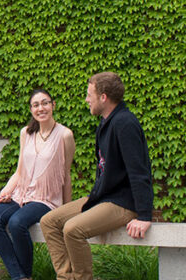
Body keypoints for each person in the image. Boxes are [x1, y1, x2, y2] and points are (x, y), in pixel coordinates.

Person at [39, 72, 154, 280]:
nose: (86, 99)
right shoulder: (106, 123)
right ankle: (66, 277)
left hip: (123, 202)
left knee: (72, 229)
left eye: (89, 94)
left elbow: (139, 172)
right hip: (103, 198)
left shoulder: (125, 123)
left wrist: (145, 215)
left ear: (103, 97)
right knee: (49, 221)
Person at [0, 89, 76, 280]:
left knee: (17, 223)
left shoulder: (65, 135)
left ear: (53, 105)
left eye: (45, 103)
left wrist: (66, 211)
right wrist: (6, 190)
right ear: (31, 109)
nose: (41, 108)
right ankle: (20, 276)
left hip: (45, 199)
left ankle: (23, 275)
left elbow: (66, 175)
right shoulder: (26, 133)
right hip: (21, 194)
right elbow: (20, 171)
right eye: (36, 105)